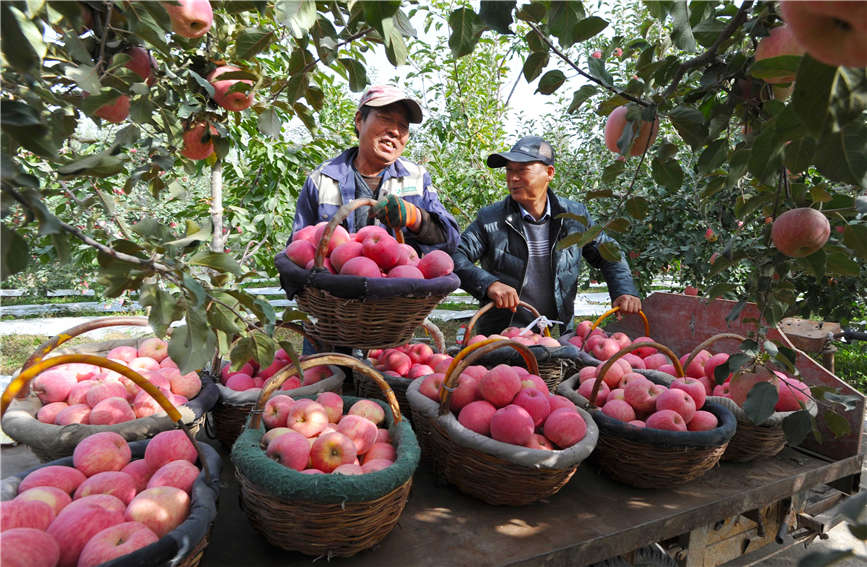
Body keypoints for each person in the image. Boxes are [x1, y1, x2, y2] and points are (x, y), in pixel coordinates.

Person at [453, 135, 642, 336]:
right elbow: (455, 257)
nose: (512, 178)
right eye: (509, 170)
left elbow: (609, 252)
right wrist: (489, 284)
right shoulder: (491, 219)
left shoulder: (573, 217)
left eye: (522, 170)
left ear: (549, 173)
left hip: (556, 334)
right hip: (503, 335)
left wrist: (624, 291)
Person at [291, 84, 460, 256]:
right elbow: (298, 250)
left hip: (397, 282)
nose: (395, 131)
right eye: (385, 118)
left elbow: (451, 241)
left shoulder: (416, 178)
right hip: (333, 282)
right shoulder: (322, 180)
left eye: (403, 126)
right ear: (359, 120)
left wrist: (415, 217)